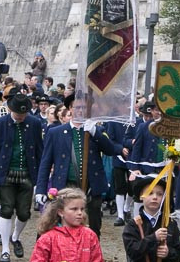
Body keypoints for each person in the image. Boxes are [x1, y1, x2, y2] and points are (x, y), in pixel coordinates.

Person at [36, 96, 121, 237]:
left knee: (92, 229)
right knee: (59, 226)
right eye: (77, 107)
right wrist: (40, 189)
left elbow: (111, 150)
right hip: (65, 186)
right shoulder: (55, 132)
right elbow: (45, 163)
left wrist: (95, 133)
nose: (81, 111)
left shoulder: (94, 131)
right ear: (70, 109)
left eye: (84, 107)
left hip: (90, 187)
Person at [0, 94, 44, 262]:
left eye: (23, 114)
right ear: (11, 109)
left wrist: (41, 176)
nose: (21, 117)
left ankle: (15, 237)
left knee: (24, 213)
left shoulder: (34, 123)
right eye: (18, 114)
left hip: (27, 173)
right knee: (6, 210)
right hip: (5, 173)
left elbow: (39, 150)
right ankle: (5, 250)